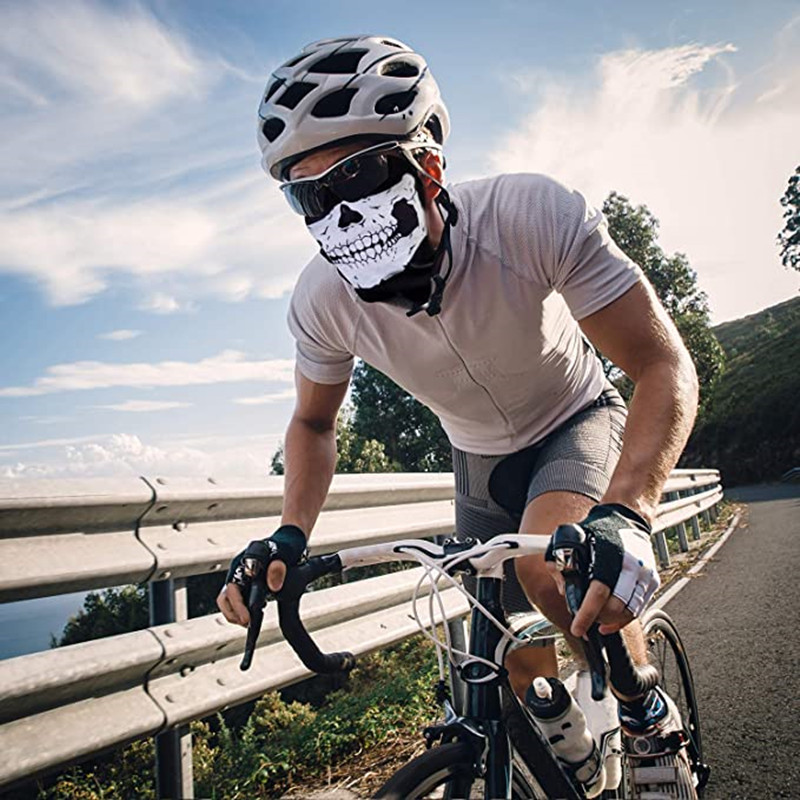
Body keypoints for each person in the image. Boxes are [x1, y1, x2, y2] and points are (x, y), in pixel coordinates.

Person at [217, 35, 699, 798]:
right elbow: (312, 424)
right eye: (312, 194)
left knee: (552, 575)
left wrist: (629, 511)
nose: (340, 211)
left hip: (575, 415)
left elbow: (661, 364)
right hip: (476, 458)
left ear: (428, 161)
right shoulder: (320, 301)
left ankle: (645, 716)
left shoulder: (530, 214)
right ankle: (565, 742)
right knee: (504, 661)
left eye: (363, 174)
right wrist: (288, 533)